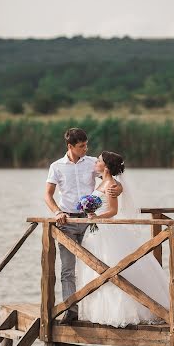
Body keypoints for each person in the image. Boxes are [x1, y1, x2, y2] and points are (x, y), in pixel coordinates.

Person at [76, 151, 170, 327]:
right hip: (96, 231)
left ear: (106, 166)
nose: (95, 163)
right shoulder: (101, 181)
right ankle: (99, 311)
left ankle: (120, 312)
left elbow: (113, 211)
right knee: (96, 270)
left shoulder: (111, 184)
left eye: (99, 161)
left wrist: (96, 217)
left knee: (111, 268)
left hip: (106, 230)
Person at [45, 128, 122, 323]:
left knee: (97, 266)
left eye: (86, 144)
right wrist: (57, 212)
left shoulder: (92, 163)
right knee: (68, 270)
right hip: (67, 223)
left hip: (91, 224)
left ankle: (97, 310)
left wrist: (118, 189)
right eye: (81, 146)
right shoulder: (56, 167)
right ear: (70, 146)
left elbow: (111, 180)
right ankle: (71, 310)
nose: (86, 149)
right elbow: (48, 195)